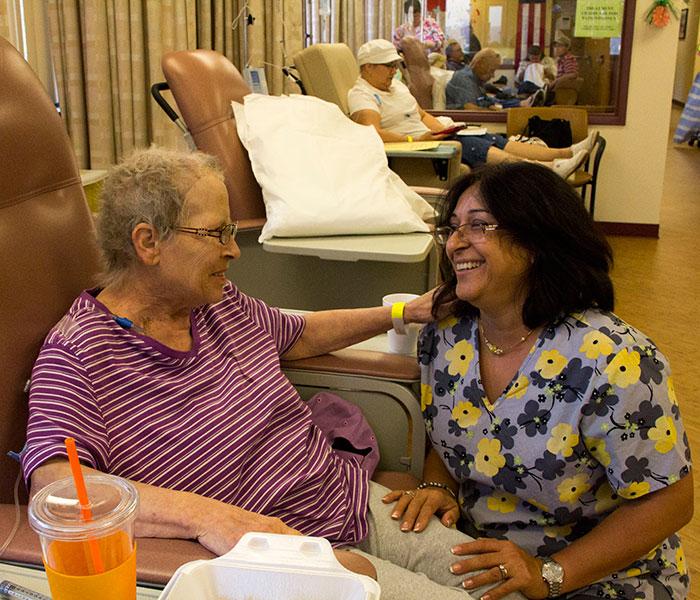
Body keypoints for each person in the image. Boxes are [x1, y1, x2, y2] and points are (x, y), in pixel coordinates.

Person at [22, 147, 529, 600]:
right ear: (148, 242)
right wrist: (215, 519)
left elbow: (299, 331)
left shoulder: (215, 305)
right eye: (216, 232)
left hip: (347, 497)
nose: (234, 249)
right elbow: (58, 488)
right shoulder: (79, 352)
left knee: (501, 586)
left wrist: (401, 314)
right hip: (277, 557)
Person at [386, 162, 693, 599]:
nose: (456, 243)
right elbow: (449, 431)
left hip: (603, 574)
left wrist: (549, 574)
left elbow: (669, 502)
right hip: (486, 559)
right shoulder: (446, 334)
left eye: (478, 226)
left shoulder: (614, 359)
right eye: (452, 228)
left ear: (536, 242)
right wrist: (439, 485)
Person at [348, 39, 596, 177]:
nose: (394, 71)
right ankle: (549, 171)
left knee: (491, 137)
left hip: (429, 139)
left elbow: (422, 115)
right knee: (474, 145)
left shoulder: (397, 88)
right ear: (368, 67)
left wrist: (444, 130)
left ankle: (565, 153)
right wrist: (415, 138)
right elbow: (373, 133)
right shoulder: (362, 94)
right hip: (415, 148)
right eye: (388, 66)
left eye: (395, 65)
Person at [446, 48, 542, 111]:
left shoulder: (475, 79)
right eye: (491, 71)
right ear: (482, 67)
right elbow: (471, 109)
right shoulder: (464, 79)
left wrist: (517, 104)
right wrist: (499, 111)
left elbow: (486, 101)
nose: (492, 76)